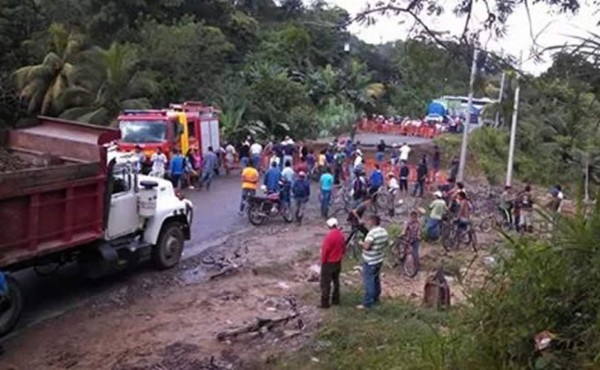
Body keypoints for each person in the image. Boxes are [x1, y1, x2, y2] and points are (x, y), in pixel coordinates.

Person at [358, 215, 389, 309]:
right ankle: (376, 298)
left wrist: (361, 243)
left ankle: (367, 302)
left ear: (373, 221)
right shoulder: (384, 231)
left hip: (370, 261)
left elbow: (367, 247)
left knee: (369, 282)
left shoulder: (371, 233)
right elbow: (386, 243)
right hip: (379, 259)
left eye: (368, 221)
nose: (367, 223)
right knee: (376, 280)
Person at [320, 218, 345, 308]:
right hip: (338, 261)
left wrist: (323, 261)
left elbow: (325, 250)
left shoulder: (329, 236)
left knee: (325, 283)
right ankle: (336, 300)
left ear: (329, 226)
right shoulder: (341, 235)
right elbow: (343, 247)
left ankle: (325, 303)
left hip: (329, 262)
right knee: (336, 281)